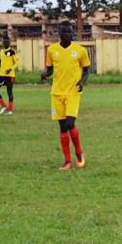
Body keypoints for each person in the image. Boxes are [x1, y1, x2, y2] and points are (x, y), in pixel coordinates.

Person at [41, 22, 90, 170]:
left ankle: (79, 152)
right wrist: (45, 74)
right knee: (62, 127)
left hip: (73, 91)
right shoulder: (51, 50)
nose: (67, 34)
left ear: (73, 33)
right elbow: (50, 69)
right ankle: (67, 161)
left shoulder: (80, 50)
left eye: (69, 32)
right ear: (59, 33)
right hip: (57, 92)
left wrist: (82, 81)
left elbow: (87, 69)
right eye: (64, 32)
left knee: (70, 124)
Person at [0, 35, 18, 114]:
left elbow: (17, 62)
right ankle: (4, 106)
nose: (5, 43)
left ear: (9, 43)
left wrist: (10, 69)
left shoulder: (12, 51)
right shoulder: (1, 51)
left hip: (10, 74)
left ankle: (10, 110)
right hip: (1, 74)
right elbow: (2, 63)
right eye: (4, 42)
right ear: (3, 43)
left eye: (7, 42)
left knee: (9, 91)